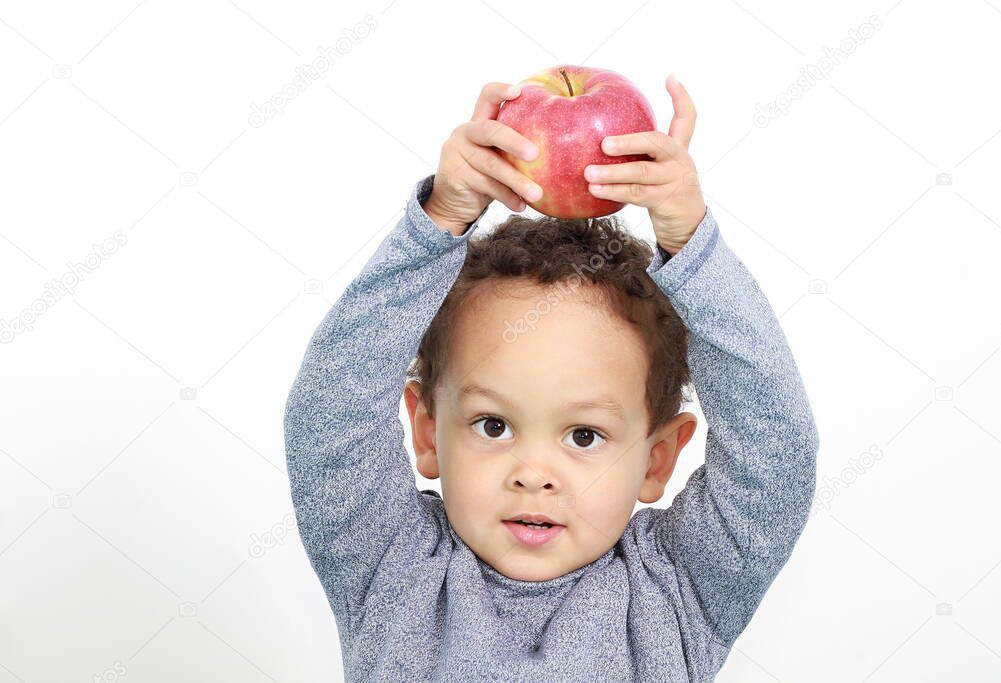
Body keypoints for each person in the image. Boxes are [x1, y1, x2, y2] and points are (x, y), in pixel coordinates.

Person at [283, 75, 818, 681]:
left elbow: (777, 454)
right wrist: (442, 218)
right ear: (428, 435)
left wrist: (690, 240)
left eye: (584, 436)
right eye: (492, 425)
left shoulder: (678, 591)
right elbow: (332, 406)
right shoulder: (389, 566)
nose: (533, 474)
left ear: (656, 460)